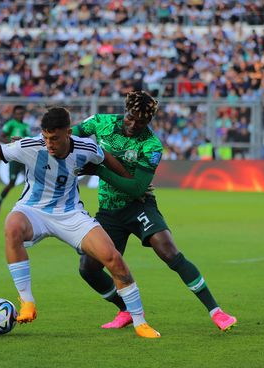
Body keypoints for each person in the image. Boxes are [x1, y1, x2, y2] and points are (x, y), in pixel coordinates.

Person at [0, 107, 161, 339]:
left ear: (68, 132)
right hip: (33, 210)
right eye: (45, 137)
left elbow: (107, 159)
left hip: (70, 213)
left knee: (113, 257)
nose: (49, 144)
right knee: (12, 225)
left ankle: (140, 322)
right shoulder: (30, 146)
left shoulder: (86, 148)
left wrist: (132, 183)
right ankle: (27, 301)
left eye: (54, 138)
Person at [73, 91, 237, 331]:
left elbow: (137, 188)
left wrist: (99, 171)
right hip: (109, 211)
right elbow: (67, 135)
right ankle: (125, 310)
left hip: (139, 206)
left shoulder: (151, 145)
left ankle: (217, 312)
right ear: (125, 111)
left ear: (149, 121)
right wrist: (31, 143)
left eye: (141, 121)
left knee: (168, 250)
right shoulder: (101, 122)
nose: (133, 124)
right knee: (88, 269)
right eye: (131, 117)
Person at [0, 105, 31, 215]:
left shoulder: (26, 126)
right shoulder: (10, 124)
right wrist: (10, 142)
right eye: (18, 113)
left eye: (21, 113)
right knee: (11, 183)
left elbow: (28, 140)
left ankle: (29, 207)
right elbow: (0, 137)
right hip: (14, 158)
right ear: (14, 114)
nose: (20, 115)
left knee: (31, 181)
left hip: (24, 158)